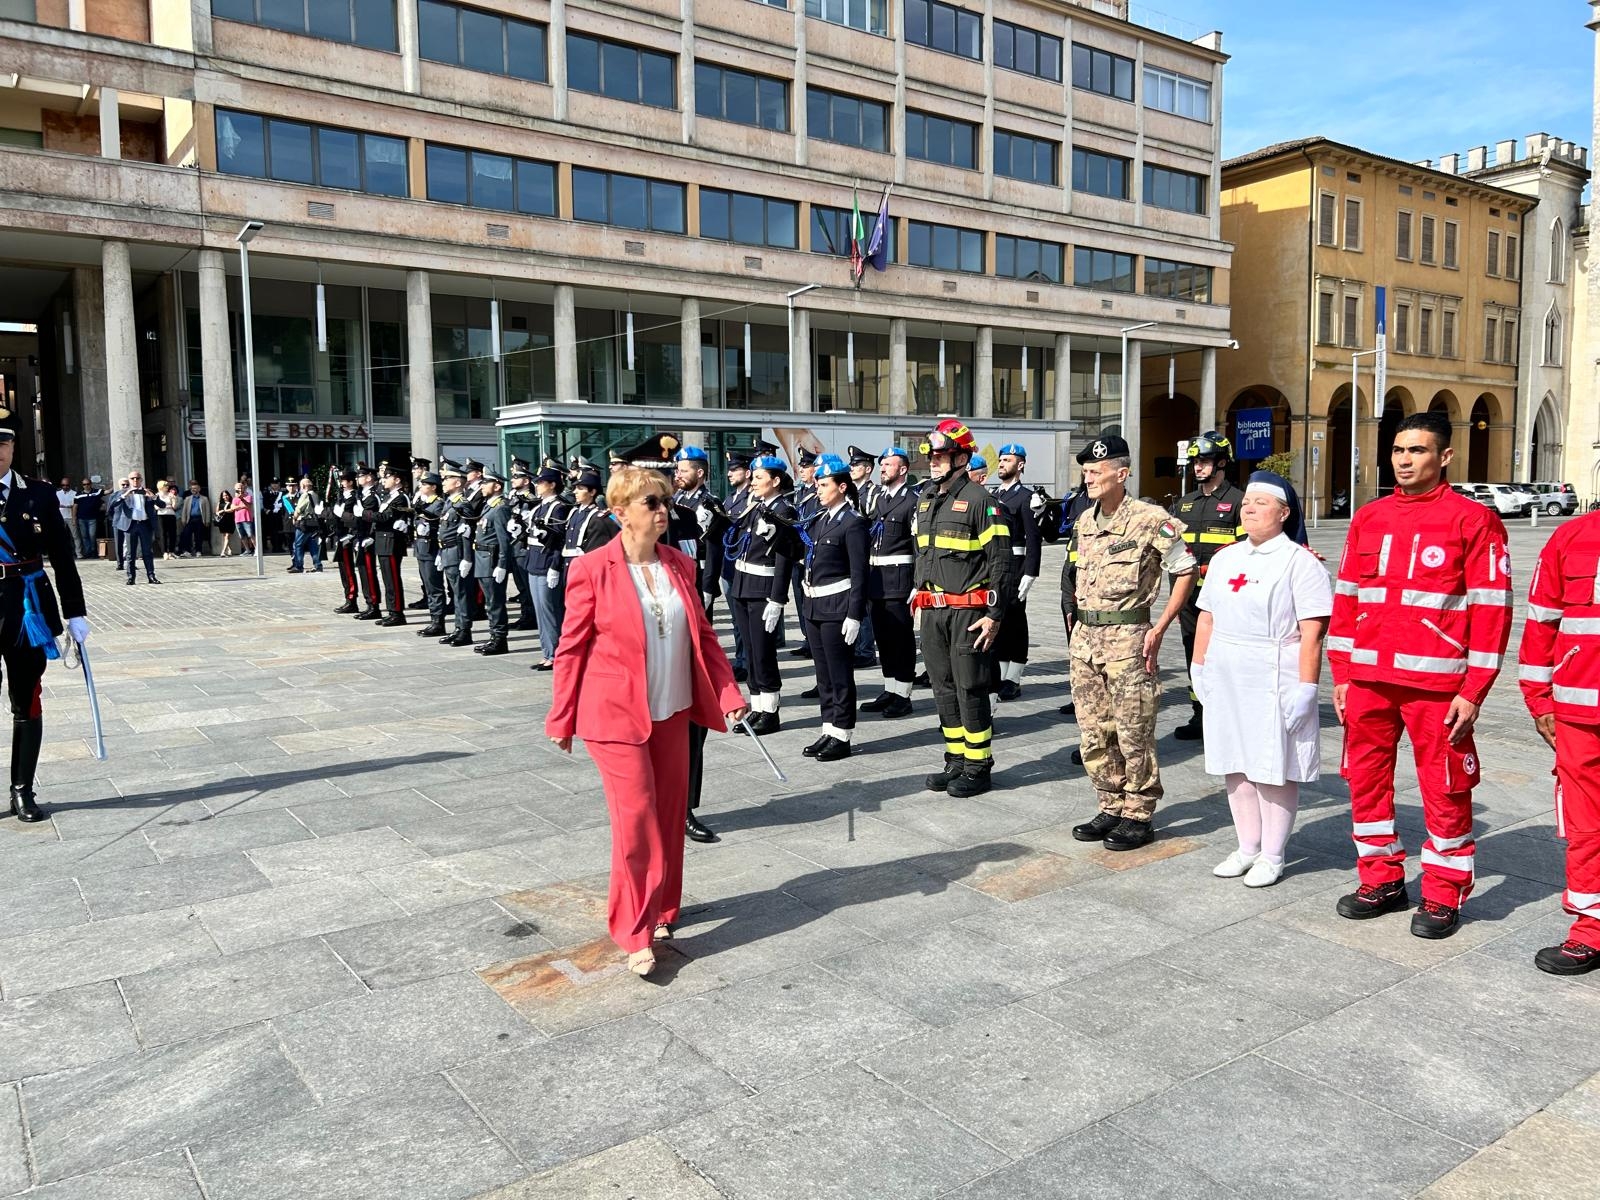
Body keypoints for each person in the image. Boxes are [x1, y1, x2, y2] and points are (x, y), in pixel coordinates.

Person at [545, 466, 748, 977]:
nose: (663, 510)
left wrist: (727, 692)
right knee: (635, 821)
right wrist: (561, 714)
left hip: (673, 710)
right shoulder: (592, 569)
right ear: (620, 513)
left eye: (665, 501)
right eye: (651, 503)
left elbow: (703, 637)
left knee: (668, 816)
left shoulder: (679, 563)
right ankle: (634, 932)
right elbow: (571, 648)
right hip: (614, 715)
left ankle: (662, 909)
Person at [1328, 411, 1512, 939]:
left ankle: (1443, 893)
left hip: (1439, 688)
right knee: (1364, 783)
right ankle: (1382, 879)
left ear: (1444, 456)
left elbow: (1492, 610)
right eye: (1399, 451)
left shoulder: (1473, 520)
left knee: (1445, 789)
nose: (1405, 460)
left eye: (1418, 451)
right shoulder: (1370, 517)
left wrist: (1474, 690)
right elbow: (1347, 598)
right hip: (1367, 682)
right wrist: (1342, 672)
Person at [1192, 471, 1332, 887]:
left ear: (1284, 513)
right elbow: (1207, 615)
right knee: (1233, 764)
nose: (1249, 508)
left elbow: (1313, 631)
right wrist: (1200, 666)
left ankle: (1272, 854)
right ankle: (1246, 846)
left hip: (1275, 670)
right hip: (1227, 667)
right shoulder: (1225, 558)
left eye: (1262, 502)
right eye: (1247, 501)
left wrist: (1308, 687)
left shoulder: (1300, 562)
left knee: (1272, 767)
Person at [1067, 435, 1196, 849]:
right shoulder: (1085, 521)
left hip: (1129, 641)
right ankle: (1110, 804)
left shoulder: (1149, 519)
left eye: (1096, 472)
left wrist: (1160, 627)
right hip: (1085, 642)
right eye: (1085, 471)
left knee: (1133, 730)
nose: (1088, 478)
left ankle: (1139, 813)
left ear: (1121, 474)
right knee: (1093, 731)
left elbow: (1185, 570)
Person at [912, 419, 1014, 798]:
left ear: (961, 456)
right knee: (942, 688)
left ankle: (978, 765)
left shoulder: (981, 501)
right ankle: (955, 759)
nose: (934, 461)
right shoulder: (926, 500)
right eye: (932, 455)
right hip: (934, 611)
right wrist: (918, 593)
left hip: (970, 613)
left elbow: (1002, 562)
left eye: (942, 455)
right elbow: (924, 554)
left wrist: (995, 614)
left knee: (971, 688)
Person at [1519, 509, 1600, 975]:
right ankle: (1591, 926)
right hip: (1577, 712)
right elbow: (1541, 621)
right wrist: (1539, 698)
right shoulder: (1571, 536)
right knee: (1585, 822)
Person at [0, 428, 89, 821]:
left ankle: (22, 790)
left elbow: (63, 557)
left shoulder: (38, 493)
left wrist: (75, 612)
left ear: (13, 447)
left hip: (27, 609)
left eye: (1, 445)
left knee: (27, 699)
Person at [1171, 432, 1247, 742]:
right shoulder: (1186, 504)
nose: (1197, 467)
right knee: (1194, 653)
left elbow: (1246, 551)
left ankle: (1230, 716)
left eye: (1203, 461)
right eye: (1195, 462)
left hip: (1224, 599)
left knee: (1226, 656)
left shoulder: (1238, 501)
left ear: (1222, 463)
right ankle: (1200, 714)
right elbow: (1172, 550)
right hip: (1190, 596)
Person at [800, 454, 869, 762]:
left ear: (842, 487)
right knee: (823, 673)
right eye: (818, 484)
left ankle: (842, 733)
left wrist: (855, 614)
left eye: (824, 484)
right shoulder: (819, 519)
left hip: (838, 606)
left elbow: (859, 573)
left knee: (839, 673)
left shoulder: (852, 523)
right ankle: (828, 727)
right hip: (815, 606)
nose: (819, 489)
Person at [727, 454, 800, 734]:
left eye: (759, 478)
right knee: (750, 652)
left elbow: (784, 557)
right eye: (753, 477)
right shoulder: (756, 506)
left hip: (763, 590)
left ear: (776, 480)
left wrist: (777, 598)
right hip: (744, 585)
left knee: (764, 653)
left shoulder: (784, 510)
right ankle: (757, 707)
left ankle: (770, 711)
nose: (753, 482)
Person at [863, 446, 918, 719]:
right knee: (883, 638)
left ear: (903, 469)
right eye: (882, 464)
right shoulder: (879, 499)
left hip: (899, 580)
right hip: (877, 580)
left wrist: (918, 583)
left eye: (888, 464)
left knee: (901, 638)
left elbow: (919, 546)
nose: (882, 468)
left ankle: (904, 694)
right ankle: (890, 688)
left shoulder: (912, 501)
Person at [990, 443, 1042, 703]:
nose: (1001, 464)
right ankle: (1001, 674)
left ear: (1020, 465)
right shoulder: (993, 494)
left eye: (1007, 460)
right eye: (1000, 459)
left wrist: (1030, 573)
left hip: (1016, 564)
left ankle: (1014, 677)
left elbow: (1033, 538)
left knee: (1015, 622)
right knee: (997, 618)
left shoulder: (1026, 497)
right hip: (995, 565)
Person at [470, 466, 513, 656]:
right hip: (482, 559)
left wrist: (502, 564)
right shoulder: (489, 506)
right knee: (489, 602)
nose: (481, 486)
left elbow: (504, 539)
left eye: (485, 483)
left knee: (495, 602)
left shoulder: (501, 508)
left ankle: (499, 639)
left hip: (491, 561)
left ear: (496, 486)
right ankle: (493, 636)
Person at [438, 461, 477, 647]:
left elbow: (467, 532)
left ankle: (465, 631)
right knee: (455, 593)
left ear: (459, 483)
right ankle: (457, 628)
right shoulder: (449, 502)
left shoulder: (463, 503)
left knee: (462, 593)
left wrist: (467, 558)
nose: (444, 482)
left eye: (448, 479)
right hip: (447, 551)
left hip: (457, 553)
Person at [788, 447, 820, 661]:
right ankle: (807, 638)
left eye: (806, 466)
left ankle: (812, 639)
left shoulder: (817, 495)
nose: (802, 469)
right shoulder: (798, 493)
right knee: (799, 600)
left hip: (810, 554)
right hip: (796, 555)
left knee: (810, 600)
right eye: (801, 466)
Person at [373, 464, 412, 626]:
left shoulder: (400, 498)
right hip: (384, 541)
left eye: (387, 477)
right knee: (387, 578)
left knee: (393, 578)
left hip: (392, 542)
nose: (383, 480)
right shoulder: (388, 497)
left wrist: (365, 514)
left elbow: (386, 517)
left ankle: (397, 612)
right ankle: (391, 611)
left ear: (397, 480)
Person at [410, 471, 447, 636]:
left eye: (425, 484)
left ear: (433, 487)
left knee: (435, 587)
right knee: (428, 586)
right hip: (422, 548)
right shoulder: (423, 502)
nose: (421, 486)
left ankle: (438, 622)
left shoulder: (438, 504)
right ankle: (434, 620)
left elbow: (439, 527)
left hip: (432, 549)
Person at [506, 460, 538, 631]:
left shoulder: (530, 499)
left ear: (526, 480)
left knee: (527, 585)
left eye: (517, 477)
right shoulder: (513, 498)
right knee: (521, 586)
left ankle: (531, 617)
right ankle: (525, 615)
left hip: (523, 546)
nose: (513, 479)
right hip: (514, 546)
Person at [113, 471, 161, 586]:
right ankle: (131, 577)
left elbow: (162, 504)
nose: (135, 480)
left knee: (147, 552)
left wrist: (153, 497)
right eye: (132, 478)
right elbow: (113, 505)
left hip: (145, 525)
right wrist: (125, 495)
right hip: (131, 525)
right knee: (130, 553)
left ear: (141, 480)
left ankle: (151, 576)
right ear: (129, 480)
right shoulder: (123, 493)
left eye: (137, 478)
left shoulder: (147, 492)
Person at [329, 470, 362, 614]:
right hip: (339, 535)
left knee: (349, 570)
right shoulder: (342, 496)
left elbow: (351, 518)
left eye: (344, 480)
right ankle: (348, 597)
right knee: (343, 570)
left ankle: (351, 599)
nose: (341, 483)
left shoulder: (354, 497)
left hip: (348, 537)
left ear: (350, 482)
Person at [352, 465, 382, 620]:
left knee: (369, 572)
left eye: (361, 476)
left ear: (369, 478)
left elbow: (374, 518)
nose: (358, 479)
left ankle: (374, 605)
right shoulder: (362, 495)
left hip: (368, 539)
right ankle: (369, 603)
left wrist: (370, 536)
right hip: (360, 538)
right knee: (363, 571)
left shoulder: (372, 496)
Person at [286, 476, 324, 573]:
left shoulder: (305, 495)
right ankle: (317, 564)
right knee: (312, 545)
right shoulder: (315, 495)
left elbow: (299, 509)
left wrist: (294, 518)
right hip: (313, 523)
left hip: (304, 523)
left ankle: (298, 566)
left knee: (298, 544)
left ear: (303, 486)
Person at [176, 480, 209, 557]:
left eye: (195, 488)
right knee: (186, 534)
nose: (193, 490)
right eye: (192, 489)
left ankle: (198, 551)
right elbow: (184, 510)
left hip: (199, 519)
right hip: (190, 519)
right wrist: (183, 519)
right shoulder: (187, 499)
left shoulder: (204, 499)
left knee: (199, 536)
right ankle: (188, 551)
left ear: (199, 489)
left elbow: (207, 510)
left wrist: (207, 520)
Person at [73, 477, 104, 559]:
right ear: (82, 485)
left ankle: (93, 551)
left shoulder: (96, 492)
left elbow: (107, 492)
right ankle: (88, 552)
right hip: (81, 519)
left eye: (87, 484)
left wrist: (115, 483)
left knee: (92, 535)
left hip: (92, 518)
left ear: (91, 484)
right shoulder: (78, 494)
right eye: (84, 484)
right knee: (84, 536)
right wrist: (74, 519)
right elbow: (75, 507)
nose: (86, 486)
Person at [232, 479, 256, 555]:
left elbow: (248, 505)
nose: (240, 489)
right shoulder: (234, 498)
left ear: (244, 488)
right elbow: (232, 508)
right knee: (242, 536)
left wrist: (242, 499)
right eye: (238, 488)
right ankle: (247, 550)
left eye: (241, 487)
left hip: (247, 518)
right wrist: (241, 506)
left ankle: (257, 549)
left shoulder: (248, 496)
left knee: (251, 535)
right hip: (238, 519)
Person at [215, 487, 236, 555]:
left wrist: (224, 510)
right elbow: (216, 512)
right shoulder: (219, 503)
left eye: (226, 495)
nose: (225, 497)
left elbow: (232, 510)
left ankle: (223, 552)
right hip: (222, 522)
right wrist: (218, 512)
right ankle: (229, 550)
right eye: (223, 495)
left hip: (230, 521)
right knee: (225, 537)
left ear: (229, 495)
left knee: (227, 536)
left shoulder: (232, 502)